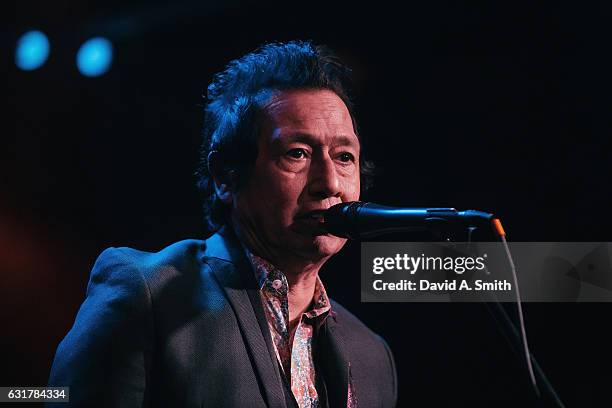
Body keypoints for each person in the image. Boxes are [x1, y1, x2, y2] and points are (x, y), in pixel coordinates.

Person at [48, 40, 397, 408]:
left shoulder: (373, 355)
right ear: (225, 177)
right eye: (298, 153)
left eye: (344, 157)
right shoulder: (148, 296)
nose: (330, 183)